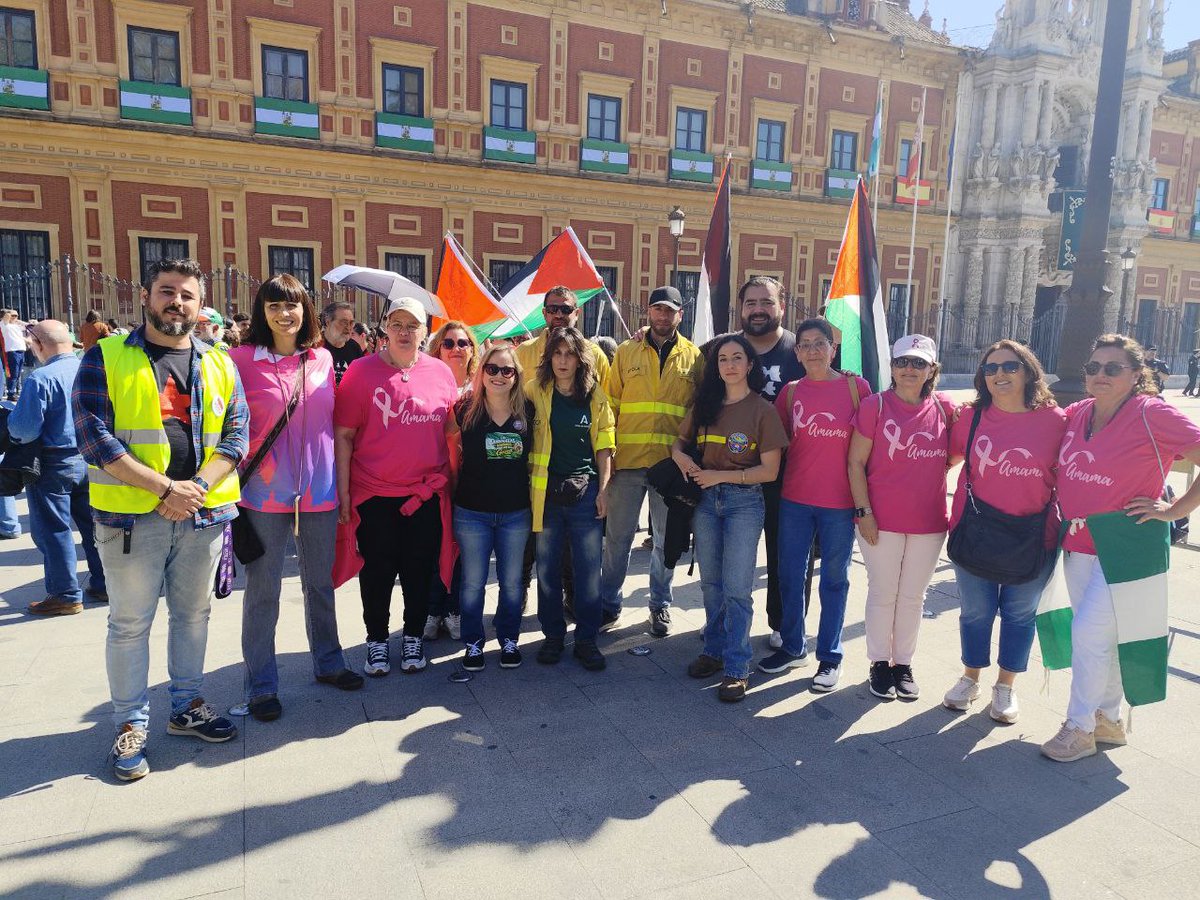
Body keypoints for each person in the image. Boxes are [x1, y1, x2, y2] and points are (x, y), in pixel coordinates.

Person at [73, 257, 249, 781]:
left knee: (193, 617)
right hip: (132, 518)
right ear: (146, 297)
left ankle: (187, 706)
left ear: (199, 305)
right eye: (167, 291)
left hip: (202, 514)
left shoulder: (219, 361)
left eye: (187, 295)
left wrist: (191, 491)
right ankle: (130, 723)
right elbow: (93, 437)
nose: (177, 302)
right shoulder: (104, 356)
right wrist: (165, 489)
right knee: (129, 624)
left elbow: (237, 435)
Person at [1040, 334, 1200, 762]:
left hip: (1128, 544)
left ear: (1136, 375)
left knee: (1089, 633)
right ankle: (1108, 719)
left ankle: (1078, 727)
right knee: (1102, 639)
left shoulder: (1153, 413)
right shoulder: (1078, 413)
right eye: (1093, 368)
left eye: (1112, 368)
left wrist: (1173, 510)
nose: (1099, 375)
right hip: (1078, 543)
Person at [230, 275, 363, 723]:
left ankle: (328, 662)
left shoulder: (322, 359)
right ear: (261, 311)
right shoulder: (240, 360)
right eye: (274, 306)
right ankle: (261, 685)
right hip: (263, 496)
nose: (285, 314)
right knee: (263, 592)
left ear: (306, 311)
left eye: (293, 306)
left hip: (320, 492)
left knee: (320, 585)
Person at [942, 340, 1066, 723]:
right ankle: (970, 678)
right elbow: (943, 459)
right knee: (975, 613)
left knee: (1019, 615)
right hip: (975, 530)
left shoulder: (1058, 422)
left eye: (1010, 367)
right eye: (991, 368)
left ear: (1029, 371)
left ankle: (1006, 687)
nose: (999, 374)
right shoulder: (971, 418)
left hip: (1033, 536)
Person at [333, 296, 458, 677]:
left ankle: (413, 636)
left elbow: (452, 432)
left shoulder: (440, 372)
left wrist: (456, 483)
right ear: (385, 327)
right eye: (397, 324)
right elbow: (344, 435)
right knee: (378, 571)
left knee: (419, 570)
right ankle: (376, 641)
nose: (405, 333)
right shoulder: (360, 371)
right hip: (374, 495)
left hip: (425, 495)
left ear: (425, 331)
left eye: (413, 326)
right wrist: (343, 493)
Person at [759, 317, 870, 692]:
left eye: (819, 343)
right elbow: (777, 440)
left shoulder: (858, 388)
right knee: (790, 575)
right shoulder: (790, 393)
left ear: (832, 348)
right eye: (804, 344)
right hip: (794, 499)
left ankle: (830, 656)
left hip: (840, 503)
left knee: (835, 582)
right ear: (797, 351)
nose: (812, 351)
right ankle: (793, 645)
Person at [673, 333, 787, 702]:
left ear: (750, 365)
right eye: (723, 359)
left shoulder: (762, 411)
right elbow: (677, 443)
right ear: (716, 367)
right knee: (711, 584)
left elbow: (769, 471)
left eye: (738, 358)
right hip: (705, 502)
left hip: (744, 503)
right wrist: (682, 459)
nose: (730, 365)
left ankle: (737, 667)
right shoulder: (705, 404)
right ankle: (714, 650)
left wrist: (720, 476)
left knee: (738, 589)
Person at [848, 334, 955, 702]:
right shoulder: (875, 406)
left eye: (919, 363)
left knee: (913, 597)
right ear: (892, 367)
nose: (910, 369)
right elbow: (855, 462)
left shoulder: (945, 408)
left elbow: (953, 456)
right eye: (903, 362)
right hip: (880, 520)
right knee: (883, 592)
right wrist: (864, 512)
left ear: (931, 370)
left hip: (928, 522)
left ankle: (903, 664)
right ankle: (879, 662)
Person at [600, 285, 703, 637]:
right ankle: (609, 604)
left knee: (665, 540)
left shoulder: (695, 357)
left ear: (680, 315)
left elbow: (697, 412)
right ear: (648, 313)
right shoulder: (626, 352)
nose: (663, 316)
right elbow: (609, 405)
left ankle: (660, 605)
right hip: (626, 463)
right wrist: (607, 454)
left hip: (670, 468)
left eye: (669, 311)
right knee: (617, 538)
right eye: (657, 310)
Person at [528, 326, 615, 670]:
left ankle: (587, 640)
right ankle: (552, 636)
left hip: (585, 493)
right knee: (547, 569)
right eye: (557, 353)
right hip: (545, 494)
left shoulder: (595, 395)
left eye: (570, 354)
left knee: (587, 571)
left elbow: (605, 447)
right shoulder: (534, 391)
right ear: (549, 357)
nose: (563, 360)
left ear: (581, 359)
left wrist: (604, 490)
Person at [13, 319, 106, 616]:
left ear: (39, 344)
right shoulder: (90, 369)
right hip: (91, 456)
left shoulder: (40, 378)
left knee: (54, 530)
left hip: (54, 461)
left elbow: (24, 430)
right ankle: (105, 582)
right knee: (93, 524)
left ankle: (65, 594)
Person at [452, 342, 533, 670]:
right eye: (492, 369)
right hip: (472, 512)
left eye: (507, 370)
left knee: (512, 581)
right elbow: (445, 449)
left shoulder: (528, 410)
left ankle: (509, 638)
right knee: (473, 581)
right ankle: (473, 642)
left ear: (516, 376)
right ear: (482, 371)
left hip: (515, 512)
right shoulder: (464, 408)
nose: (499, 375)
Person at [736, 277, 803, 650]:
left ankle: (782, 622)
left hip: (791, 476)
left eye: (766, 302)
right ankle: (729, 617)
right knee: (734, 556)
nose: (758, 309)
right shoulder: (723, 349)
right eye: (751, 303)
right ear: (741, 308)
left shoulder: (801, 350)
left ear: (782, 304)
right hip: (733, 473)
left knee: (785, 557)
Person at [421, 321, 479, 640]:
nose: (456, 348)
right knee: (432, 547)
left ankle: (454, 609)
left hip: (469, 482)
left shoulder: (482, 388)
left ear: (472, 349)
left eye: (463, 342)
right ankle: (433, 610)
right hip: (432, 479)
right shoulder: (427, 386)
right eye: (448, 343)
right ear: (437, 349)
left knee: (462, 549)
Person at [322, 301, 361, 385]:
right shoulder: (315, 346)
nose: (348, 327)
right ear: (328, 322)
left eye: (351, 323)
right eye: (344, 322)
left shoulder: (354, 348)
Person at [2, 309, 29, 400]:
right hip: (13, 351)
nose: (14, 317)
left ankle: (14, 391)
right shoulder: (4, 325)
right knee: (13, 373)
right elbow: (5, 319)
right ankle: (11, 393)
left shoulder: (17, 326)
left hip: (21, 351)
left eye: (16, 316)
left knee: (18, 374)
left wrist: (18, 320)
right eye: (13, 315)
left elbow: (29, 325)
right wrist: (9, 315)